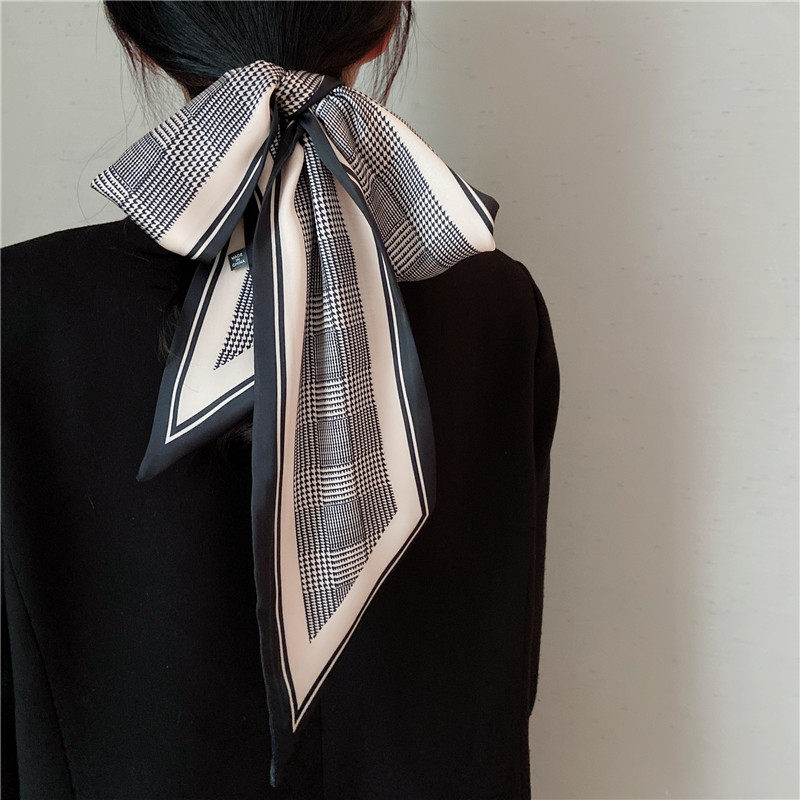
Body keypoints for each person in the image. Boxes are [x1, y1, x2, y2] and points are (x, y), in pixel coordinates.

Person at [1, 2, 560, 798]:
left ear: (140, 39)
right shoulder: (497, 306)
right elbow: (505, 673)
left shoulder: (21, 317)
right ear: (383, 31)